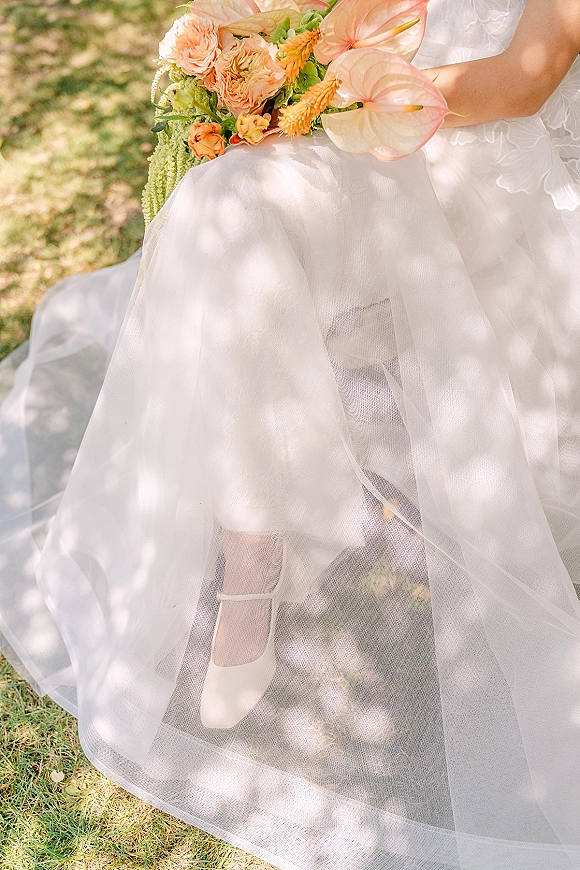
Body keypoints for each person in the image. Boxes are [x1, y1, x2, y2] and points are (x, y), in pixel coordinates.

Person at [2, 0, 580, 868]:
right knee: (224, 198)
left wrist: (339, 107)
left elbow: (523, 79)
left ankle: (291, 509)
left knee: (242, 202)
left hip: (486, 187)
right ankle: (255, 548)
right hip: (385, 155)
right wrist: (272, 71)